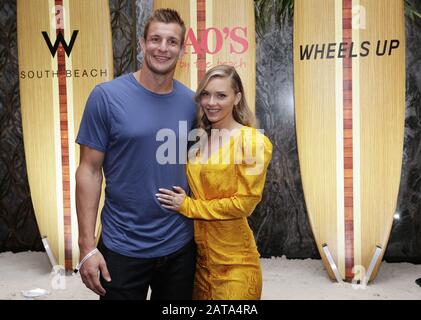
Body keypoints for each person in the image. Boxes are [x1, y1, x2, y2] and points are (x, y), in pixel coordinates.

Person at [75, 8, 197, 300]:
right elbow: (88, 171)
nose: (163, 48)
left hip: (180, 246)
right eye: (156, 39)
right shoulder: (106, 97)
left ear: (182, 50)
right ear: (142, 44)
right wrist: (86, 246)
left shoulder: (192, 103)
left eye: (172, 41)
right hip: (122, 247)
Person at [156, 65, 273, 300]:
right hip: (199, 263)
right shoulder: (199, 140)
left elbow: (244, 204)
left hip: (235, 263)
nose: (211, 102)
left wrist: (188, 206)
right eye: (206, 94)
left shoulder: (252, 142)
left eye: (221, 95)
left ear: (237, 97)